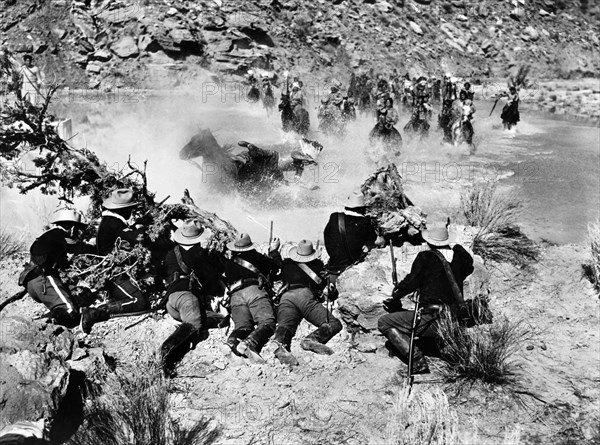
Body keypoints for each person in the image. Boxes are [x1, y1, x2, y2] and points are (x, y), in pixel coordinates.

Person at [378, 225, 474, 374]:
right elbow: (469, 262)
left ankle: (417, 362)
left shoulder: (425, 257)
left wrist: (394, 295)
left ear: (429, 242)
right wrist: (455, 245)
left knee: (384, 322)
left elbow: (410, 283)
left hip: (431, 320)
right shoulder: (460, 258)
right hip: (454, 320)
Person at [160, 219, 227, 377]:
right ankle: (167, 353)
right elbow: (213, 276)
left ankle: (182, 336)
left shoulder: (171, 253)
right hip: (187, 298)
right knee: (195, 325)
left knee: (219, 319)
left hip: (171, 302)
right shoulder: (199, 255)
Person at [80, 188, 150, 333]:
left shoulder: (109, 221)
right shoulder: (113, 223)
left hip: (113, 272)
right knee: (139, 302)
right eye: (130, 208)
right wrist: (141, 228)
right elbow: (136, 238)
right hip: (115, 274)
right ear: (123, 209)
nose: (131, 212)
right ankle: (94, 313)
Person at [19, 208, 95, 328]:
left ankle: (45, 322)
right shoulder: (60, 235)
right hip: (44, 279)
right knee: (70, 312)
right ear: (71, 226)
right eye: (77, 228)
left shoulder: (48, 236)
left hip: (33, 282)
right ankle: (43, 327)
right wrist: (93, 246)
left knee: (68, 304)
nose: (78, 232)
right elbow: (78, 248)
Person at [272, 240, 343, 366]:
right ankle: (312, 339)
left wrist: (274, 250)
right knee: (334, 323)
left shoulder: (286, 264)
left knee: (285, 325)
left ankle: (280, 345)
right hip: (304, 296)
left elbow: (275, 263)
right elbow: (326, 289)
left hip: (286, 297)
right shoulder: (317, 265)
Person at [224, 232, 281, 363]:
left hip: (235, 296)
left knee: (242, 326)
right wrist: (274, 251)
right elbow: (277, 265)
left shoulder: (228, 264)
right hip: (254, 291)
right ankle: (249, 344)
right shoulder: (255, 256)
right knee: (267, 322)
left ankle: (231, 342)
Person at [323, 192, 382, 281]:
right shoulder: (366, 223)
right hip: (353, 272)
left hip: (334, 268)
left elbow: (327, 238)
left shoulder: (334, 217)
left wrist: (334, 255)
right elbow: (373, 243)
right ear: (362, 208)